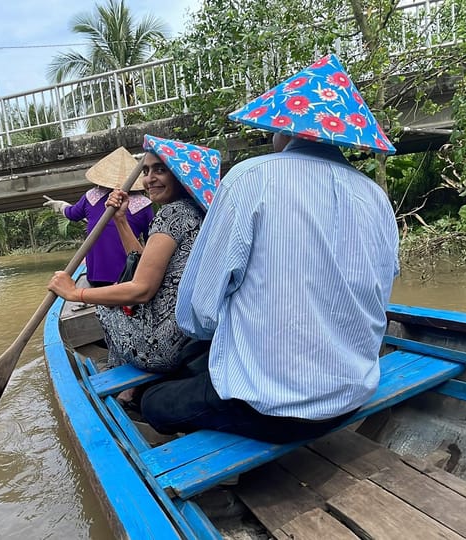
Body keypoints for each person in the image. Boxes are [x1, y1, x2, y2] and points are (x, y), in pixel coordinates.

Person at [140, 53, 401, 444]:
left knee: (153, 401)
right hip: (354, 393)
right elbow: (381, 290)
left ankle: (225, 480)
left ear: (286, 132)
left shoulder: (251, 178)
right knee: (202, 363)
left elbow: (198, 311)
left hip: (274, 409)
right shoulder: (374, 196)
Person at [47, 135, 221, 373]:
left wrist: (76, 293)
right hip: (191, 338)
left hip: (163, 348)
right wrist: (120, 220)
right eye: (147, 170)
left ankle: (124, 384)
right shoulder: (199, 212)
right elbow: (144, 263)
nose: (149, 179)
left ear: (180, 174)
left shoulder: (171, 215)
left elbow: (141, 289)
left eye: (160, 170)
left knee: (105, 309)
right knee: (118, 305)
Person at [44, 147, 154, 287]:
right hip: (128, 277)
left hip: (96, 277)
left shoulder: (92, 196)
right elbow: (151, 242)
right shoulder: (144, 205)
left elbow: (71, 214)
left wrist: (60, 206)